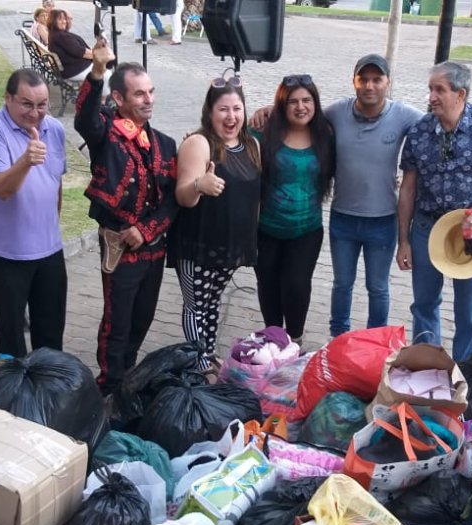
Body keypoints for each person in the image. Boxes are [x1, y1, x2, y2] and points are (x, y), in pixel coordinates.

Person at [249, 54, 472, 339]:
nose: (369, 85)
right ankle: (338, 339)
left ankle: (375, 341)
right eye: (363, 79)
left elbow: (442, 117)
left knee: (378, 288)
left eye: (376, 79)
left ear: (387, 82)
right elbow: (304, 113)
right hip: (343, 219)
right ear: (354, 81)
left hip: (383, 220)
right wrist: (272, 109)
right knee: (342, 284)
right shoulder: (336, 113)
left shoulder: (404, 115)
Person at [396, 62, 472, 360]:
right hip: (427, 227)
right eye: (430, 89)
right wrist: (404, 240)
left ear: (460, 94)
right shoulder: (420, 130)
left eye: (439, 90)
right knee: (424, 306)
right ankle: (429, 369)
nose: (431, 97)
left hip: (470, 231)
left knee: (469, 312)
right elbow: (408, 188)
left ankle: (466, 372)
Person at [74, 44, 179, 396]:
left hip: (153, 247)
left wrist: (146, 230)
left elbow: (173, 201)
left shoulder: (165, 143)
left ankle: (128, 375)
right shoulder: (105, 132)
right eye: (139, 94)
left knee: (143, 316)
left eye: (151, 91)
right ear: (118, 98)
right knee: (116, 321)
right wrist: (97, 72)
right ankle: (109, 386)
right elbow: (84, 118)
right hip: (119, 246)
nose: (148, 99)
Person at [0, 69, 69, 359]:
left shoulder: (55, 128)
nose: (35, 113)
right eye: (27, 104)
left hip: (49, 250)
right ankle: (13, 387)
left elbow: (55, 184)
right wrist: (26, 160)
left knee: (51, 336)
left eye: (42, 105)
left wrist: (51, 227)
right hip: (7, 253)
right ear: (8, 98)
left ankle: (48, 385)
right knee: (12, 338)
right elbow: (2, 189)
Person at [170, 76, 262, 370]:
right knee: (196, 307)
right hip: (197, 246)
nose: (231, 116)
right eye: (223, 109)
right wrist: (200, 184)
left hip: (230, 248)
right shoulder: (198, 143)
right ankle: (199, 364)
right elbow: (183, 196)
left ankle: (208, 355)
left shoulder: (251, 145)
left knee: (212, 303)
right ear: (209, 112)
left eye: (237, 108)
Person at [254, 74, 335, 347]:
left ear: (315, 103)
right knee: (268, 284)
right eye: (293, 102)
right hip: (265, 228)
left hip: (306, 229)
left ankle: (295, 340)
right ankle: (273, 339)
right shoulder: (264, 131)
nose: (301, 107)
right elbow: (230, 144)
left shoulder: (326, 134)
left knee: (297, 284)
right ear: (282, 105)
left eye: (307, 100)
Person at [48, 10, 100, 81]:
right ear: (53, 21)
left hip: (70, 69)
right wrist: (100, 56)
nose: (64, 21)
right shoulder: (61, 36)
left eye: (65, 19)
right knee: (105, 73)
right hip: (75, 71)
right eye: (60, 19)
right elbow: (81, 52)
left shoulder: (54, 34)